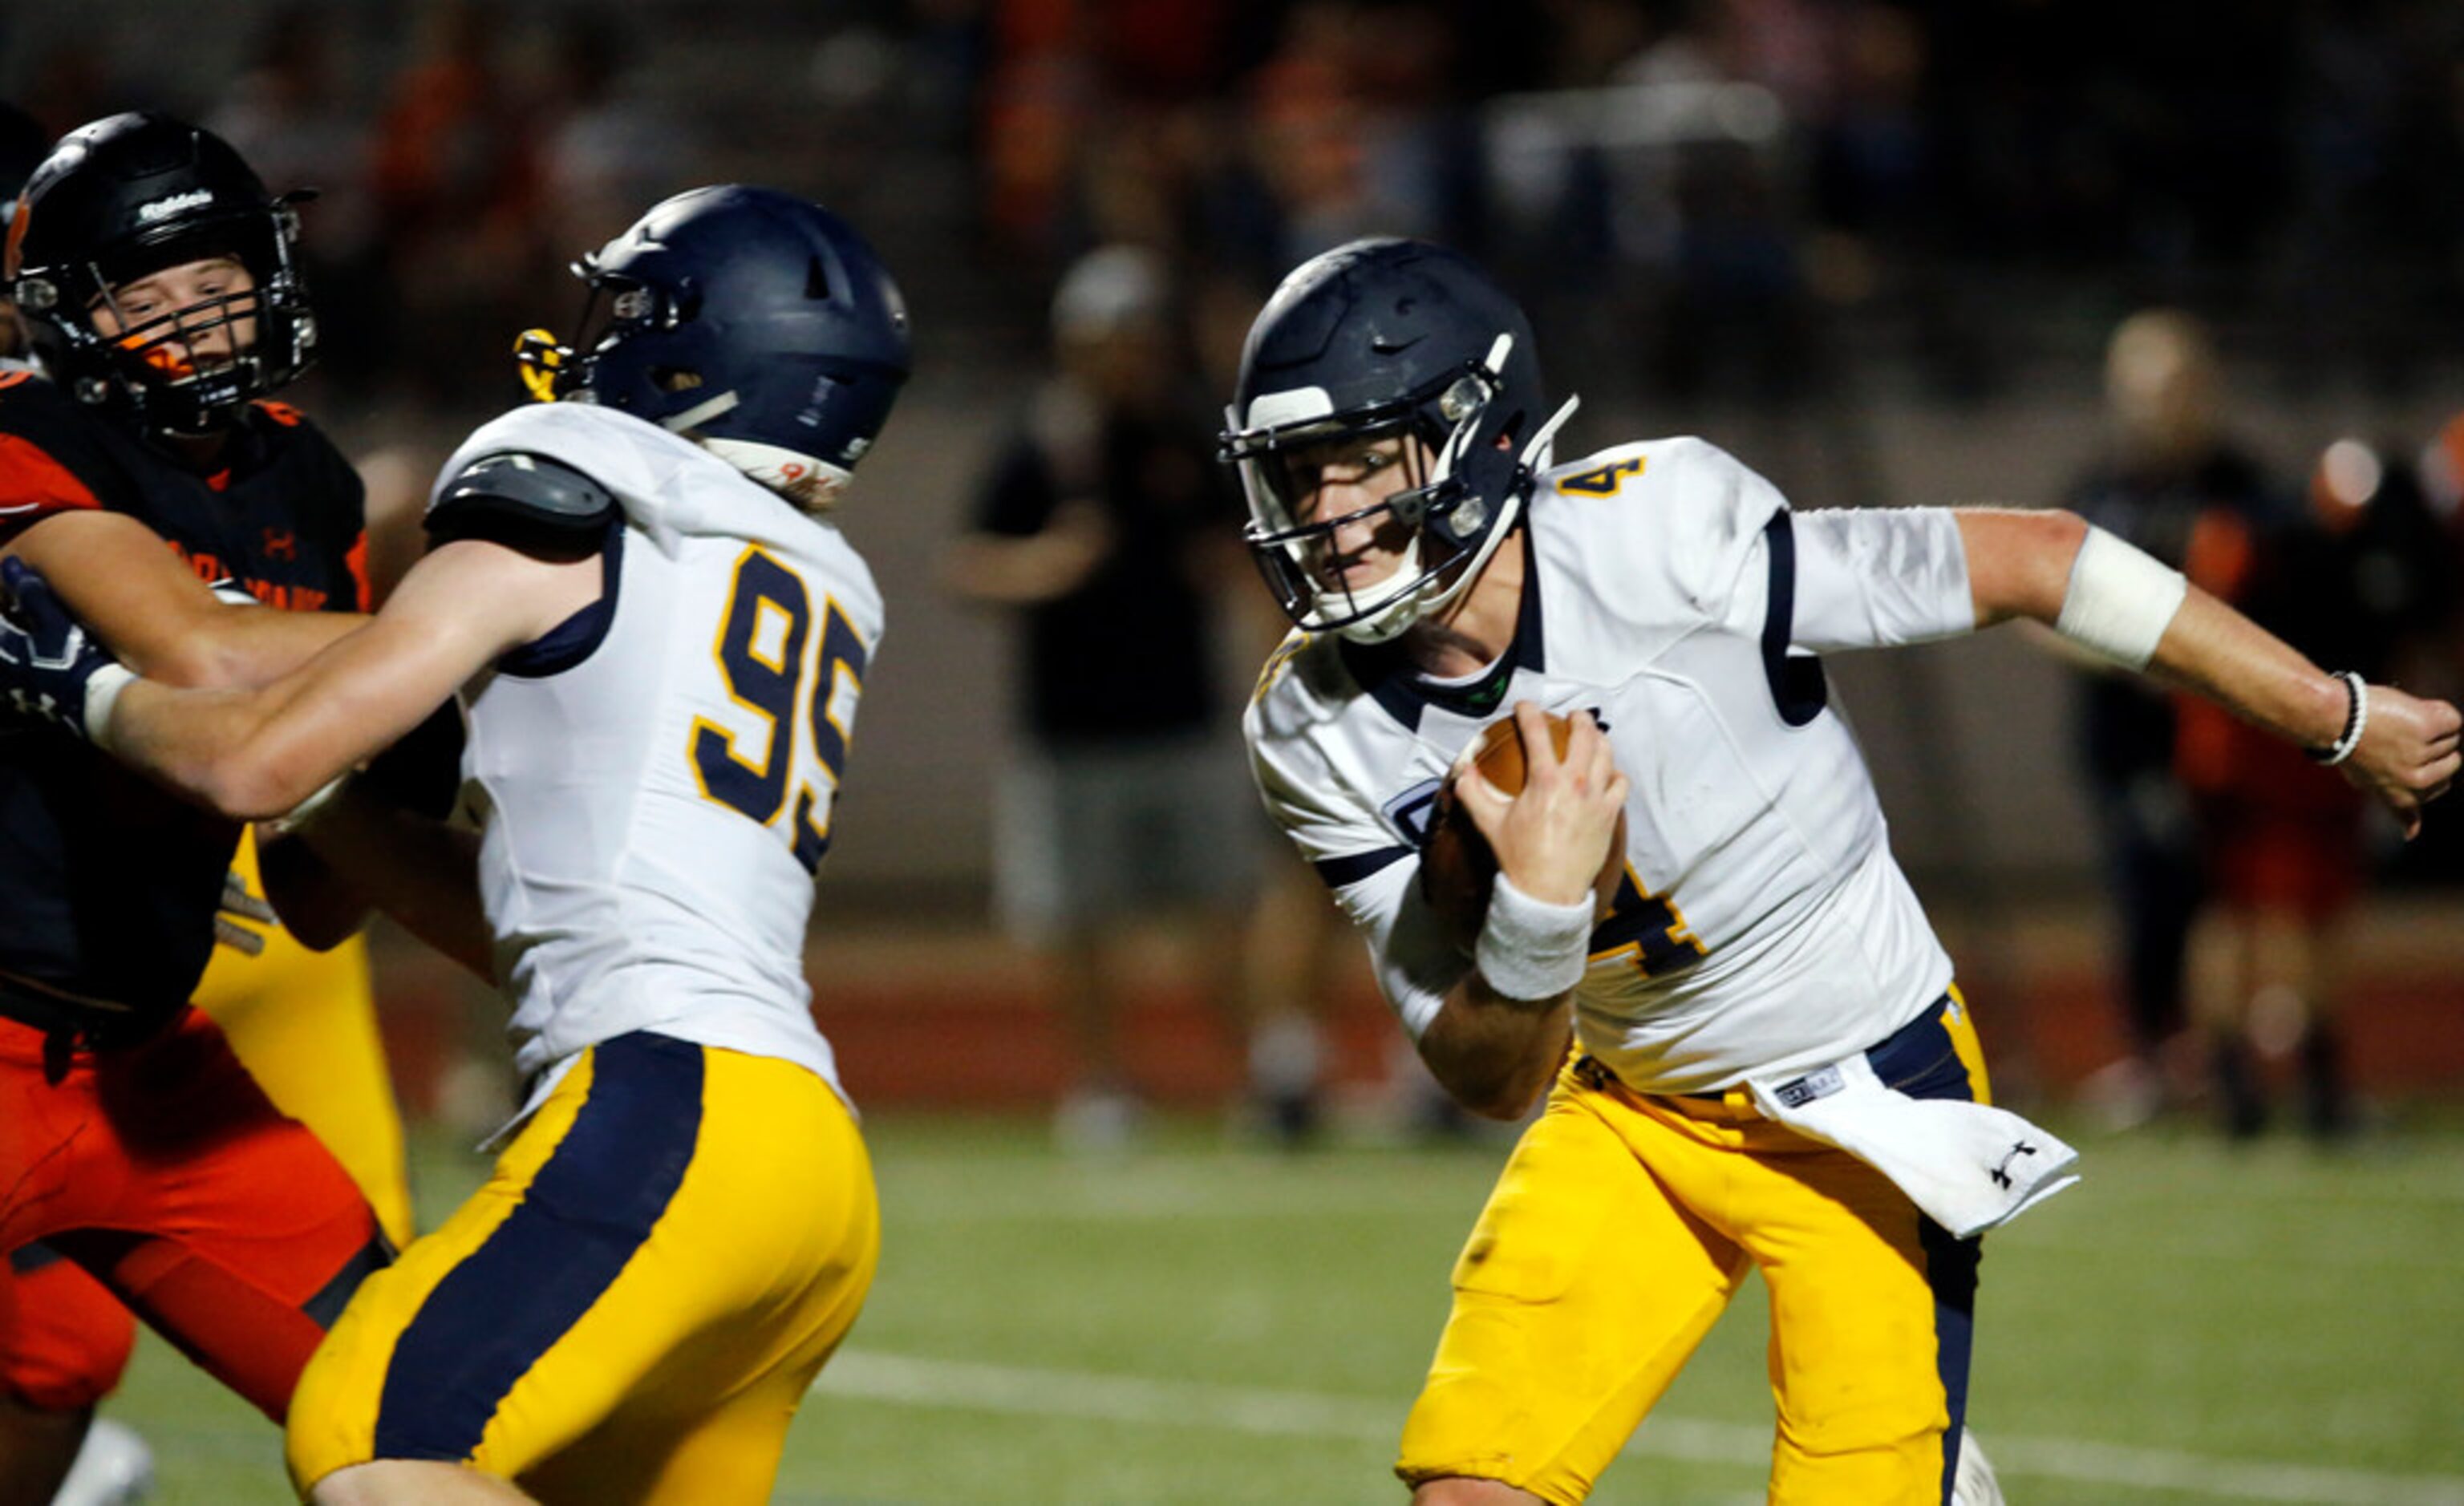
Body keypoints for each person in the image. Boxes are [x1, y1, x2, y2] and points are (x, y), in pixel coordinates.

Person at [1218, 238, 2459, 1504]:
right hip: (1633, 1104)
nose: (1324, 517)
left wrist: (2336, 715)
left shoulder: (1665, 535)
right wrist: (1536, 914)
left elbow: (2040, 556)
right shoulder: (1310, 727)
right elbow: (1487, 1073)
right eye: (1295, 480)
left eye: (1361, 465)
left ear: (1479, 436)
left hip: (1867, 1099)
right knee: (1471, 1485)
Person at [0, 182, 910, 1506]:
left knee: (379, 1448)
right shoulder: (810, 569)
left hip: (650, 1112)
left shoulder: (568, 473)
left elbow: (240, 747)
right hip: (805, 1155)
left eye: (630, 313)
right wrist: (348, 778)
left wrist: (80, 690)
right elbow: (428, 890)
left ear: (683, 349)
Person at [0, 113, 394, 1504]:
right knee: (54, 1355)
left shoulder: (308, 477)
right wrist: (485, 638)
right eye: (145, 289)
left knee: (417, 1409)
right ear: (69, 313)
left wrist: (404, 764)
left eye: (218, 274)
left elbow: (311, 883)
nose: (196, 316)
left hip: (154, 1070)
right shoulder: (20, 437)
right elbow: (209, 657)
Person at [944, 244, 1298, 1147]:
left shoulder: (1183, 436)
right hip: (1071, 725)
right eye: (1114, 340)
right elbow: (970, 565)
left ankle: (1259, 1081)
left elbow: (1239, 562)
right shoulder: (1039, 440)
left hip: (1180, 716)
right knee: (1080, 924)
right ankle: (1103, 1085)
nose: (1130, 358)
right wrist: (1047, 566)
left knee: (1221, 908)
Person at [2059, 310, 2271, 1128]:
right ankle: (2154, 1054)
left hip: (2227, 733)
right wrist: (2126, 654)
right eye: (2140, 390)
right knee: (2146, 892)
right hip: (2128, 738)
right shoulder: (2097, 492)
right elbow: (2035, 608)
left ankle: (2225, 1056)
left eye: (2173, 387)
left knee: (2232, 896)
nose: (2156, 406)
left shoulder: (2244, 487)